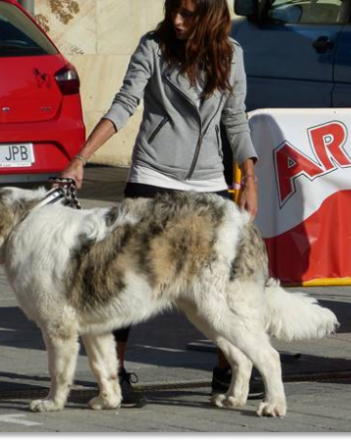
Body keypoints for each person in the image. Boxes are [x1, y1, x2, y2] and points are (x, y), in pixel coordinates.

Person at [60, 0, 262, 407]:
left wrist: (249, 177)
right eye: (174, 11)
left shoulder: (231, 54)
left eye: (187, 13)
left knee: (218, 283)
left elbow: (235, 118)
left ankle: (226, 372)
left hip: (208, 184)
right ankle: (114, 378)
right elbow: (124, 103)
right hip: (152, 177)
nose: (177, 20)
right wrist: (80, 158)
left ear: (208, 15)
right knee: (124, 279)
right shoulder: (153, 46)